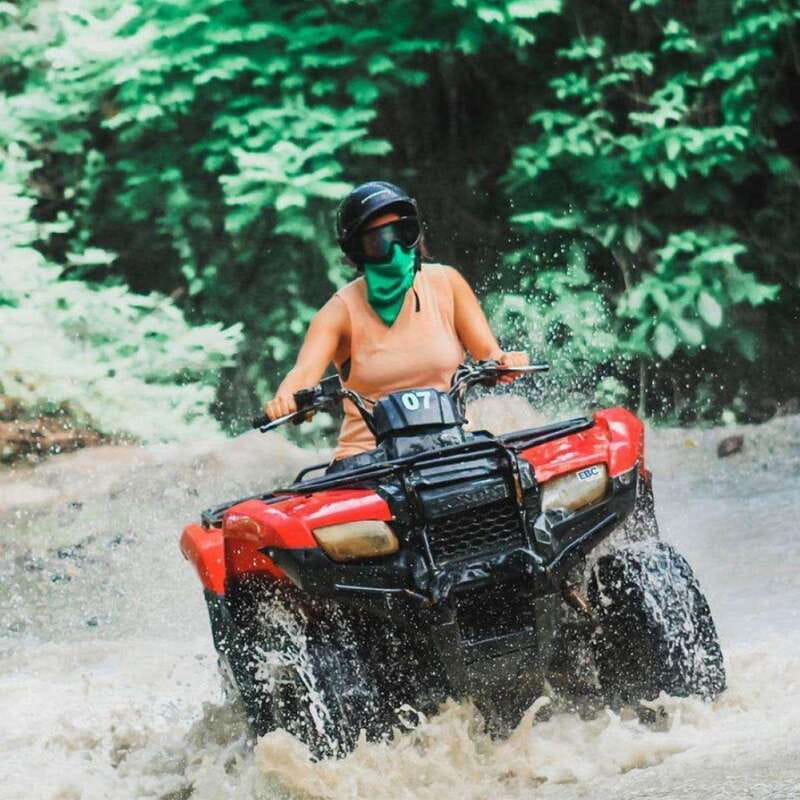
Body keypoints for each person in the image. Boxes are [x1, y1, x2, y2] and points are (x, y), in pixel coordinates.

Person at [263, 180, 528, 465]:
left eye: (403, 233)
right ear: (357, 250)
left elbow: (489, 354)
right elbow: (303, 374)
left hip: (454, 444)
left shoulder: (446, 283)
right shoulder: (339, 311)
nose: (395, 248)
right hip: (367, 460)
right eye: (379, 241)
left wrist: (505, 361)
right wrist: (286, 399)